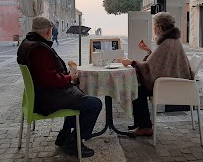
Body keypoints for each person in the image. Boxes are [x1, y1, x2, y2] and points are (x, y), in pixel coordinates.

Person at [17, 17, 102, 158]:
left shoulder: (27, 44)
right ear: (48, 31)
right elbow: (50, 80)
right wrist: (71, 77)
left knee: (79, 96)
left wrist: (66, 76)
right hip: (47, 98)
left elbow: (46, 75)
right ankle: (75, 143)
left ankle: (64, 136)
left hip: (41, 94)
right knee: (93, 104)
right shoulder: (38, 49)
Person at [120, 12, 192, 136]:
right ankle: (141, 123)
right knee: (138, 88)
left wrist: (131, 62)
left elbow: (150, 68)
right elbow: (160, 63)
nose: (154, 30)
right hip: (177, 84)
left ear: (159, 28)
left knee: (136, 90)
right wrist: (149, 51)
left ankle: (145, 126)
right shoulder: (172, 41)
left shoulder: (167, 43)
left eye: (154, 27)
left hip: (169, 87)